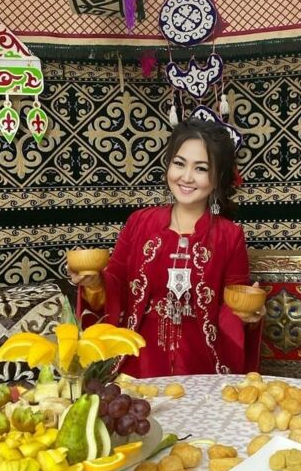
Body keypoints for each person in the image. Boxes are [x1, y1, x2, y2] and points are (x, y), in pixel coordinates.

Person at [68, 119, 265, 377]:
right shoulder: (139, 223)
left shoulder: (230, 236)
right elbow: (116, 283)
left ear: (219, 177)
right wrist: (95, 284)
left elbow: (231, 305)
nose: (186, 177)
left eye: (201, 168)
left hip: (203, 365)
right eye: (179, 163)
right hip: (138, 360)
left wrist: (246, 312)